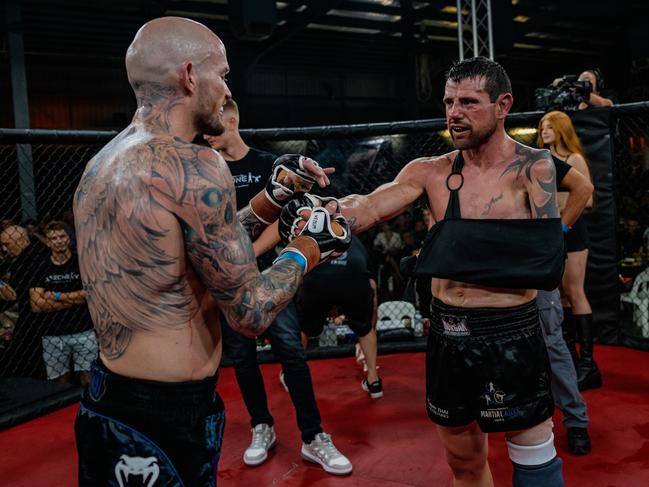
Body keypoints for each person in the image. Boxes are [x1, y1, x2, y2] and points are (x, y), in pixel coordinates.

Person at [72, 16, 349, 486]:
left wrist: (271, 198)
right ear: (187, 76)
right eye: (221, 75)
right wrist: (309, 246)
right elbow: (249, 313)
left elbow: (186, 254)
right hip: (165, 414)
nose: (226, 89)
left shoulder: (103, 164)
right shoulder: (198, 164)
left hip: (108, 397)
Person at [281, 57, 568, 487]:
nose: (454, 112)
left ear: (503, 104)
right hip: (449, 335)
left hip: (512, 332)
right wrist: (332, 211)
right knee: (465, 465)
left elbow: (548, 257)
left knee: (534, 458)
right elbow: (374, 203)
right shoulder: (430, 172)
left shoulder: (533, 168)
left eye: (469, 102)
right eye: (449, 101)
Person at [204, 99, 352, 474]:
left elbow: (281, 217)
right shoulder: (207, 171)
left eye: (213, 123)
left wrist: (247, 254)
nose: (205, 132)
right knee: (242, 356)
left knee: (291, 350)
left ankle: (313, 436)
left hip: (272, 272)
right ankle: (261, 426)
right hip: (228, 282)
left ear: (232, 118)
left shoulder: (266, 163)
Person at [537, 145, 594, 455]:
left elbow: (585, 188)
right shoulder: (464, 165)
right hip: (495, 264)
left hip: (534, 261)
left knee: (551, 339)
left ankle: (576, 421)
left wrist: (558, 231)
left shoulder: (531, 157)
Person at [538, 111, 601, 391]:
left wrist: (554, 203)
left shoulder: (573, 159)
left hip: (572, 230)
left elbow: (585, 198)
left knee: (575, 291)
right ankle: (572, 361)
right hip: (551, 232)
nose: (545, 130)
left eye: (550, 126)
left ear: (562, 129)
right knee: (560, 295)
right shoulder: (542, 160)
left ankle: (588, 364)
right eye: (542, 126)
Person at [296, 235, 382, 398]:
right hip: (352, 275)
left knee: (303, 328)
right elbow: (371, 284)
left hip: (317, 276)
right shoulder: (355, 238)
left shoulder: (310, 232)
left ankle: (292, 374)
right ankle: (374, 380)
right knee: (364, 329)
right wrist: (366, 321)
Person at [28, 221, 96, 386]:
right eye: (54, 238)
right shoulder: (41, 266)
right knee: (60, 382)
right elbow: (36, 305)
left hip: (83, 330)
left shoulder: (81, 261)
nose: (58, 241)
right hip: (53, 334)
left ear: (68, 239)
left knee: (89, 378)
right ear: (48, 242)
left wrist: (57, 296)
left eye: (62, 236)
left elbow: (91, 293)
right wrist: (75, 300)